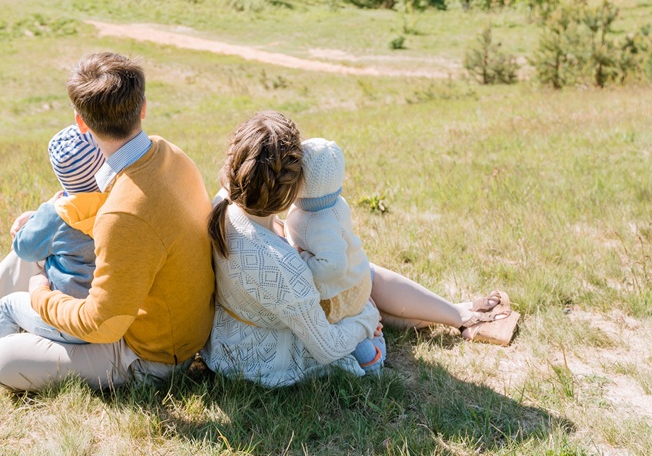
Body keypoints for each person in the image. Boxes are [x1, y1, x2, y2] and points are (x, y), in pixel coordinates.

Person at [0, 52, 216, 391]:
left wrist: (41, 295)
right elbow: (142, 219)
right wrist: (54, 216)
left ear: (81, 122)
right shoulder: (168, 153)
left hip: (150, 356)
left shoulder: (124, 215)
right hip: (174, 325)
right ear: (143, 107)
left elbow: (101, 324)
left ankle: (1, 329)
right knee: (38, 243)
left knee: (3, 360)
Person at [203, 111, 512, 387]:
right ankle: (459, 317)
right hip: (264, 359)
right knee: (361, 293)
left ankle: (458, 314)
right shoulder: (282, 267)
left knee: (358, 274)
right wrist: (363, 322)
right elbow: (326, 347)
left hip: (245, 324)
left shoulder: (227, 201)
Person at [0, 125, 106, 383]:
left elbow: (24, 248)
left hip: (66, 318)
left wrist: (40, 214)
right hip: (103, 314)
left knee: (8, 304)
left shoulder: (58, 214)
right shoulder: (113, 203)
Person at [285, 137, 385, 373]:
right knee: (358, 314)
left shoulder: (318, 223)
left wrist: (303, 259)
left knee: (347, 331)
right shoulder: (336, 204)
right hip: (357, 279)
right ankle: (368, 320)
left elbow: (333, 266)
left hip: (338, 295)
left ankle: (373, 358)